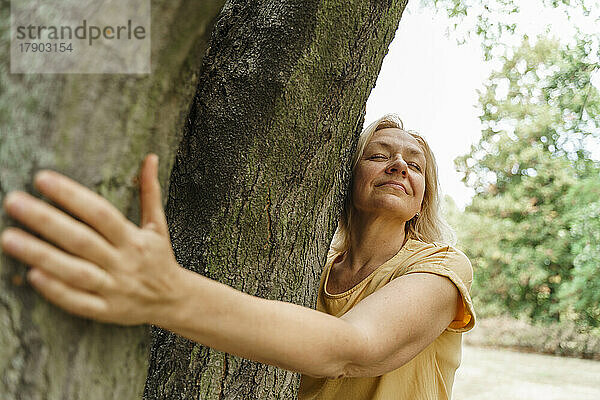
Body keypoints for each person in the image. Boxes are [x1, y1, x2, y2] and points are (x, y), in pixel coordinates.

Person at [1, 114, 475, 399]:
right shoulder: (311, 269)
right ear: (346, 179)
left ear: (423, 195)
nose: (399, 166)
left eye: (414, 165)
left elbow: (352, 350)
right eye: (380, 157)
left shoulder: (441, 267)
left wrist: (165, 295)